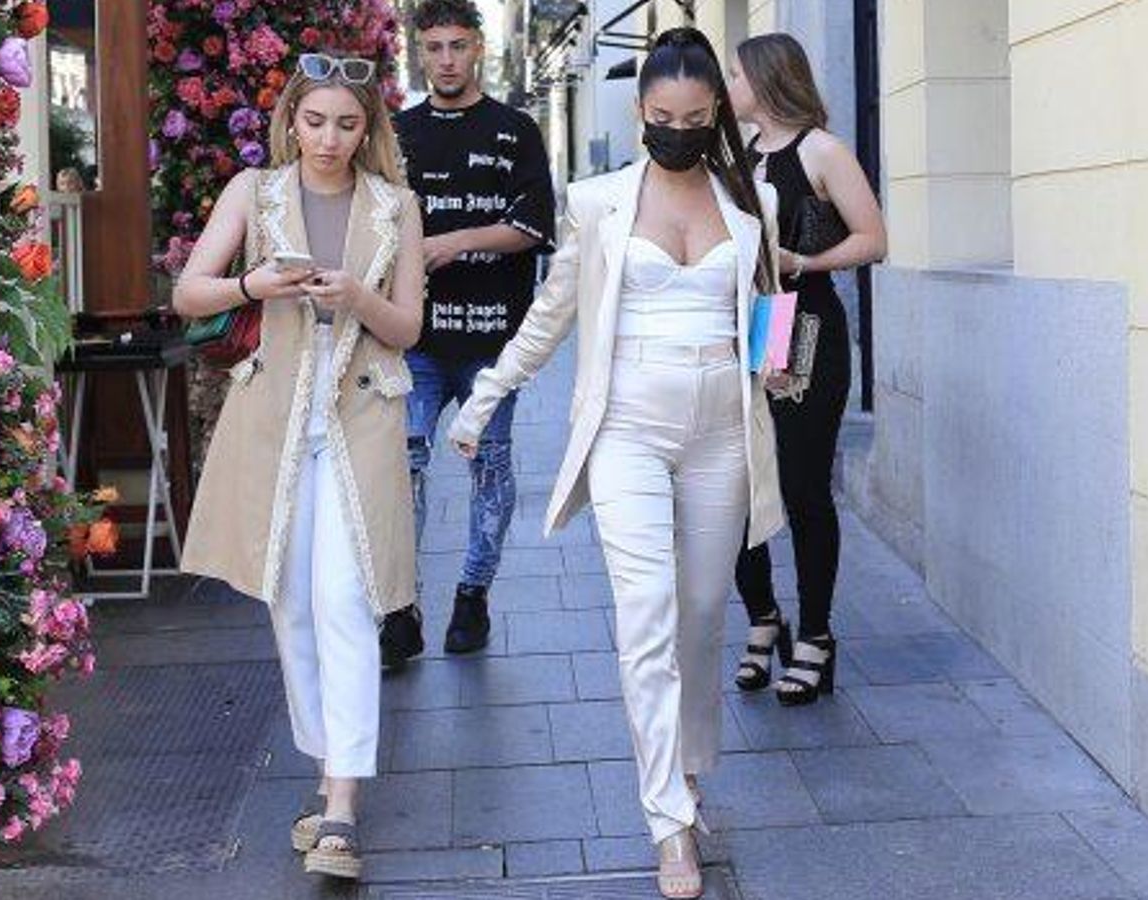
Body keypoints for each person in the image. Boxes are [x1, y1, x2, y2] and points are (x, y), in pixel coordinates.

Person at [447, 28, 784, 900]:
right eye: (663, 116)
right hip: (629, 427)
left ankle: (692, 771)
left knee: (703, 616)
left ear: (715, 116)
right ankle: (667, 822)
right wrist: (486, 398)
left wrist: (774, 358)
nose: (677, 128)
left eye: (695, 117)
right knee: (646, 618)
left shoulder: (750, 206)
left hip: (721, 430)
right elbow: (553, 313)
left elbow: (767, 309)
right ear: (641, 112)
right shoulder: (598, 203)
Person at [174, 52, 425, 882]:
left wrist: (355, 298)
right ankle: (327, 772)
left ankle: (344, 805)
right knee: (292, 603)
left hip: (360, 419)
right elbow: (189, 293)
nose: (329, 139)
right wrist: (258, 284)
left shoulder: (396, 206)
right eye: (315, 121)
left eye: (347, 124)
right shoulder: (255, 193)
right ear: (290, 121)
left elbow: (410, 328)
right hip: (274, 423)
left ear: (369, 129)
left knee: (348, 602)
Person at [384, 0, 556, 664]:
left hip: (492, 341)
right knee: (403, 471)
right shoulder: (397, 133)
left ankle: (472, 597)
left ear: (478, 47)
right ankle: (401, 608)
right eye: (435, 48)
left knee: (490, 470)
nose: (447, 59)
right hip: (415, 339)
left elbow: (534, 225)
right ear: (417, 52)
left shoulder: (515, 129)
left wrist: (450, 242)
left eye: (458, 45)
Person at [725, 33, 887, 705]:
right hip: (739, 329)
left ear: (764, 80)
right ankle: (765, 619)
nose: (726, 85)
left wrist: (804, 262)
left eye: (734, 73)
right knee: (734, 489)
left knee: (801, 485)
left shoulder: (821, 150)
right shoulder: (730, 157)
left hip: (803, 324)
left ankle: (816, 635)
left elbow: (874, 239)